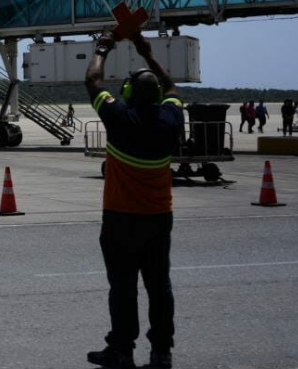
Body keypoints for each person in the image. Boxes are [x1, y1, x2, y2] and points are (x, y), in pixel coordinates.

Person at [85, 31, 182, 369]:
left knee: (123, 289)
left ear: (127, 92)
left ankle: (122, 350)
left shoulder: (120, 118)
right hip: (158, 218)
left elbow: (93, 78)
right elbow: (171, 89)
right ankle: (162, 352)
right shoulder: (171, 119)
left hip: (121, 219)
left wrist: (102, 48)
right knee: (160, 287)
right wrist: (148, 54)